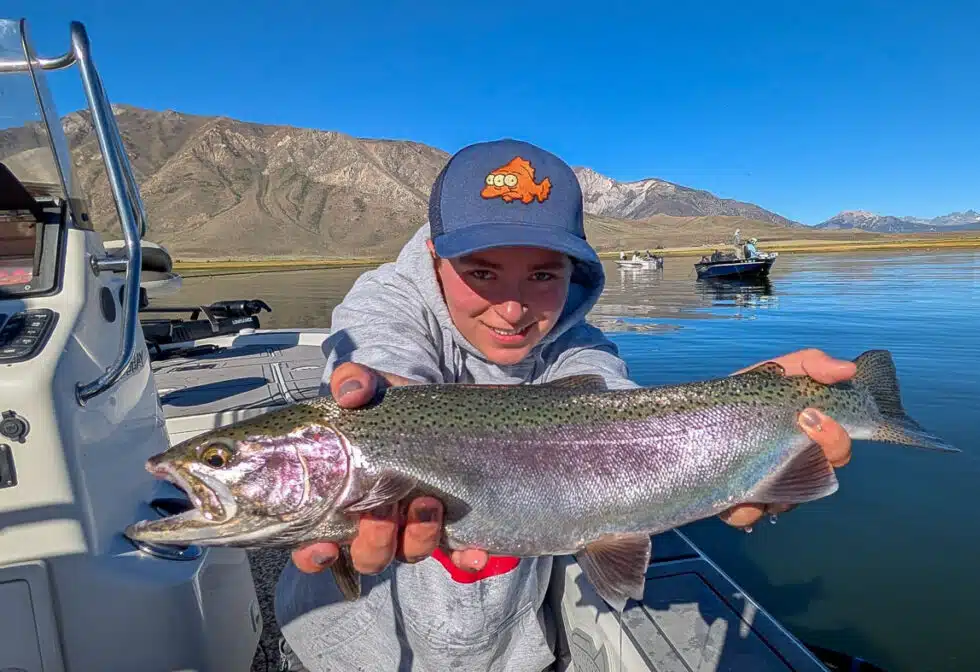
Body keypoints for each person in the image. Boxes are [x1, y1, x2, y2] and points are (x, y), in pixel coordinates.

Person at [275, 139, 855, 672]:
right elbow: (378, 358)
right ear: (434, 258)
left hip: (514, 651)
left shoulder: (580, 346)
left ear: (574, 272)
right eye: (482, 273)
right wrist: (383, 401)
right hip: (347, 648)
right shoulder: (385, 303)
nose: (512, 310)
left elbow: (621, 418)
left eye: (542, 275)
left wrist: (741, 421)